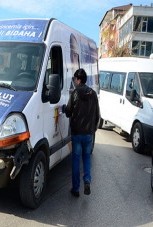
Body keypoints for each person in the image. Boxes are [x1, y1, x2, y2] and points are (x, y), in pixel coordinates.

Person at [62, 68, 100, 197]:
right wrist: (93, 129)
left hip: (77, 133)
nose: (74, 81)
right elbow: (97, 114)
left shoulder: (75, 93)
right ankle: (87, 180)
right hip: (88, 133)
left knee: (76, 160)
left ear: (78, 79)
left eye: (75, 79)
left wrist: (64, 109)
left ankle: (76, 189)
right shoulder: (93, 94)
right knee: (87, 158)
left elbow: (68, 112)